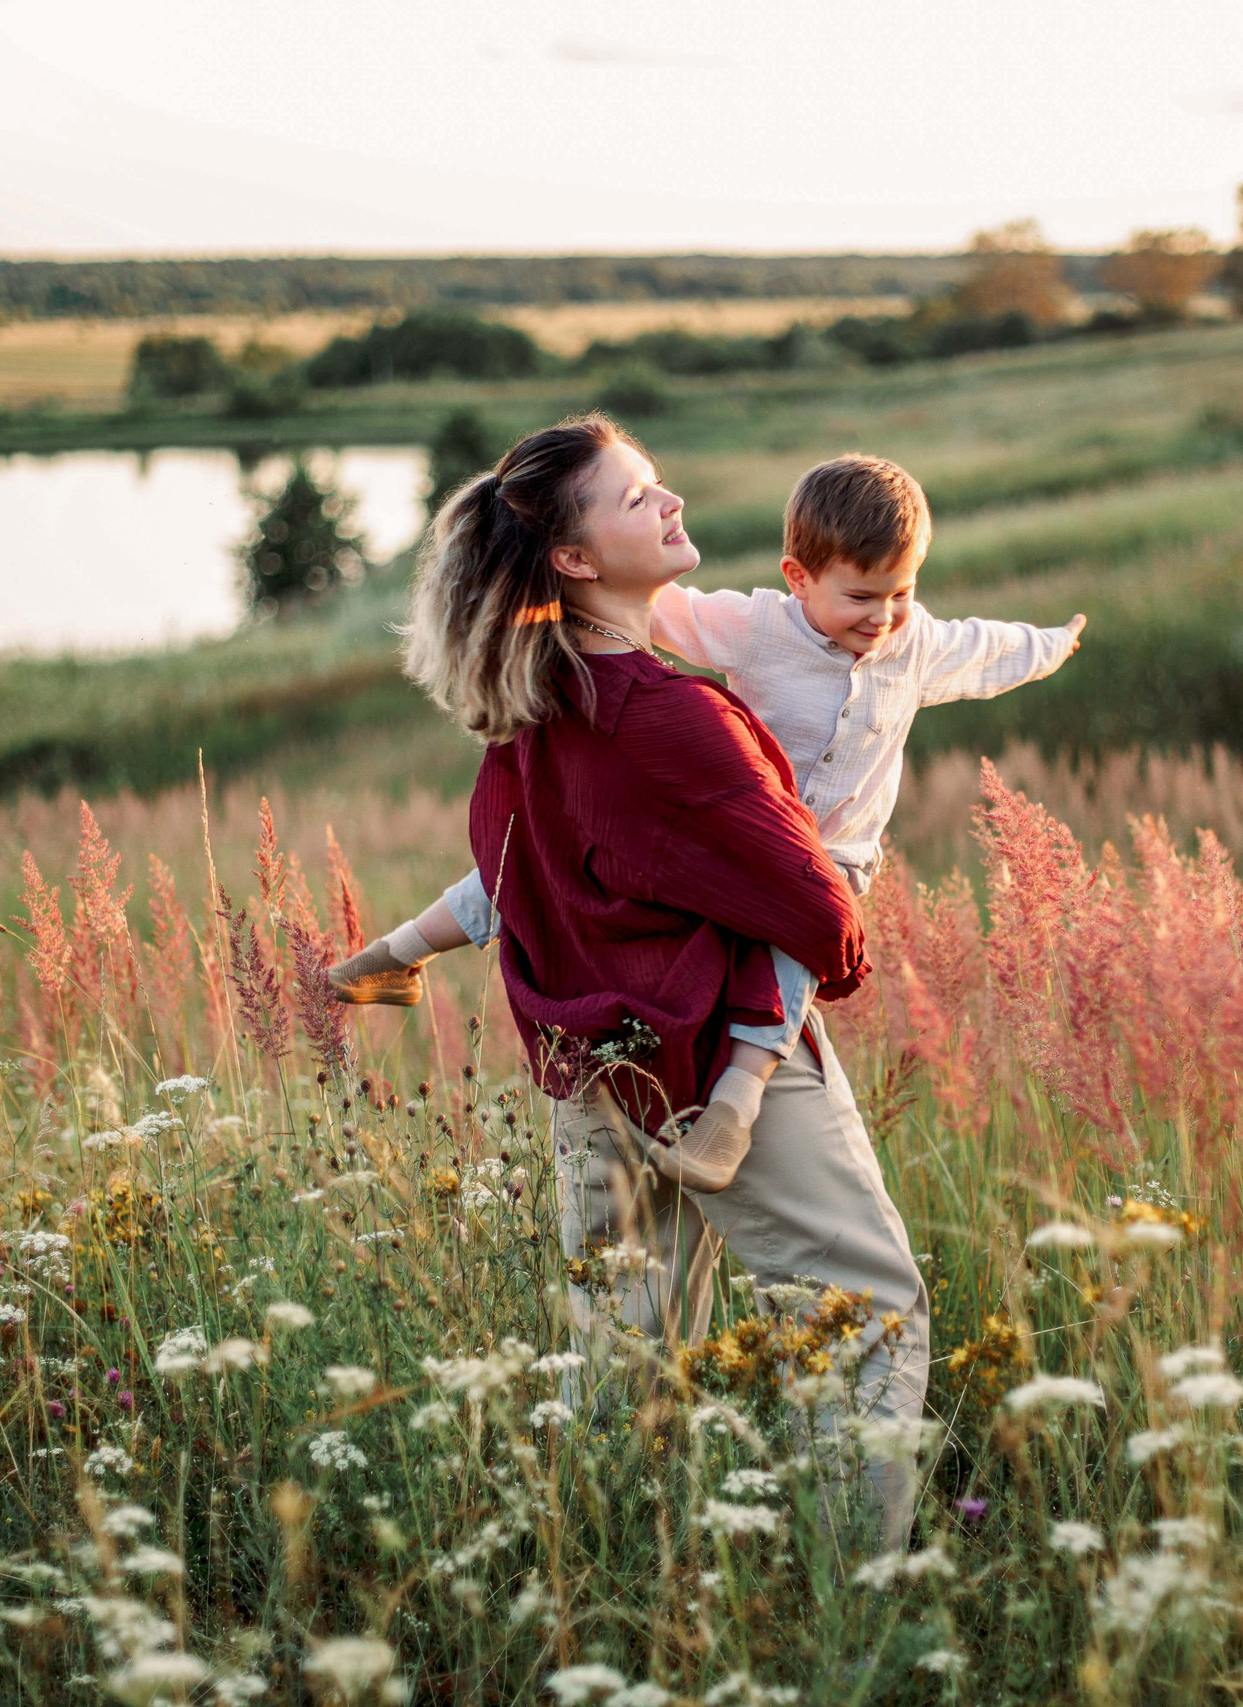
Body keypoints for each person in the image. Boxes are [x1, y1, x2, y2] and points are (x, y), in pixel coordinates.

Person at [373, 414, 930, 1542]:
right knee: (865, 1311)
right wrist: (831, 944)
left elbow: (511, 882)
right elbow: (821, 915)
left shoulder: (533, 706)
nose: (670, 502)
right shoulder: (670, 716)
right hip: (717, 1062)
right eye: (637, 498)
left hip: (594, 1072)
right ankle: (859, 1598)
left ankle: (608, 1583)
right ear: (574, 558)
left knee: (627, 1347)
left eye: (658, 483)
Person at [334, 453, 1084, 1189]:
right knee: (524, 865)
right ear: (799, 577)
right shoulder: (757, 627)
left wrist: (1055, 644)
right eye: (861, 597)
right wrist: (536, 580)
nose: (883, 617)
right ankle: (396, 955)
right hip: (728, 848)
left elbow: (994, 648)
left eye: (901, 593)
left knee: (778, 968)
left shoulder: (916, 643)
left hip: (827, 859)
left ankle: (730, 1113)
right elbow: (660, 609)